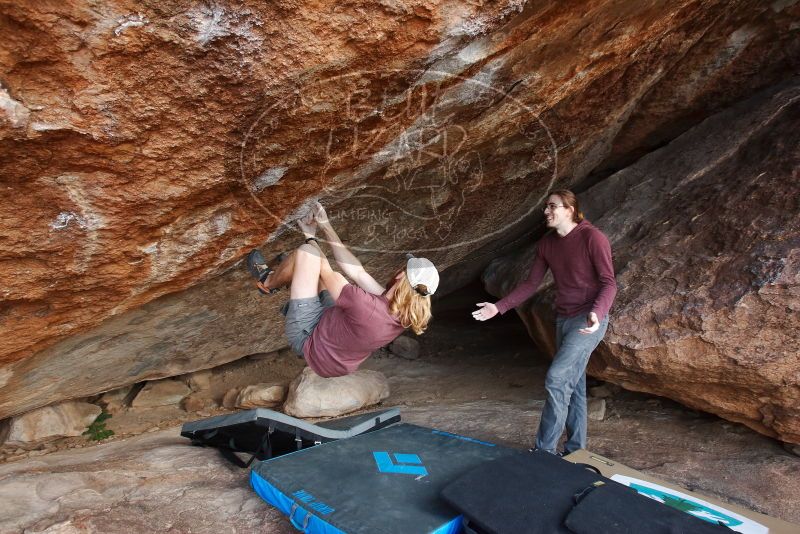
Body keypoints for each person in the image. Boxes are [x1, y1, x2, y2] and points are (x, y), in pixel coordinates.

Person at [472, 189, 616, 455]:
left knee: (557, 378)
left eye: (553, 206)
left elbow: (609, 283)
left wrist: (597, 311)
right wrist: (499, 307)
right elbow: (530, 284)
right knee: (574, 386)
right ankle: (575, 450)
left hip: (587, 321)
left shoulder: (592, 237)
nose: (546, 212)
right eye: (546, 207)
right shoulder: (547, 244)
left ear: (569, 210)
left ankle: (544, 452)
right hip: (563, 319)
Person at [247, 201, 439, 378]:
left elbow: (328, 270)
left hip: (309, 340)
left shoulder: (364, 304)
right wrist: (325, 225)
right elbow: (358, 272)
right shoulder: (404, 314)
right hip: (335, 356)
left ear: (400, 276)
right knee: (313, 264)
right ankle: (294, 275)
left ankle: (268, 282)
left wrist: (310, 236)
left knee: (307, 253)